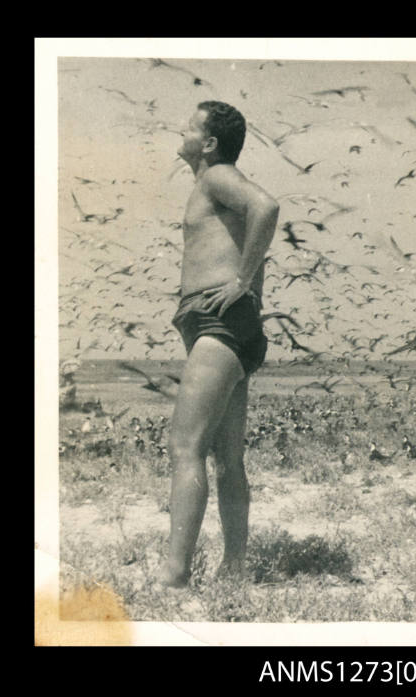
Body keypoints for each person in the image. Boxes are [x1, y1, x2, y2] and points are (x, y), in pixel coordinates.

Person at [159, 101, 279, 588]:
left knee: (185, 446)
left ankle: (174, 575)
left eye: (189, 126)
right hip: (230, 327)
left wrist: (242, 279)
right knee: (227, 457)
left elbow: (266, 205)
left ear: (208, 143)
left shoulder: (216, 177)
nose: (180, 130)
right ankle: (235, 568)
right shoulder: (207, 185)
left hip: (222, 324)